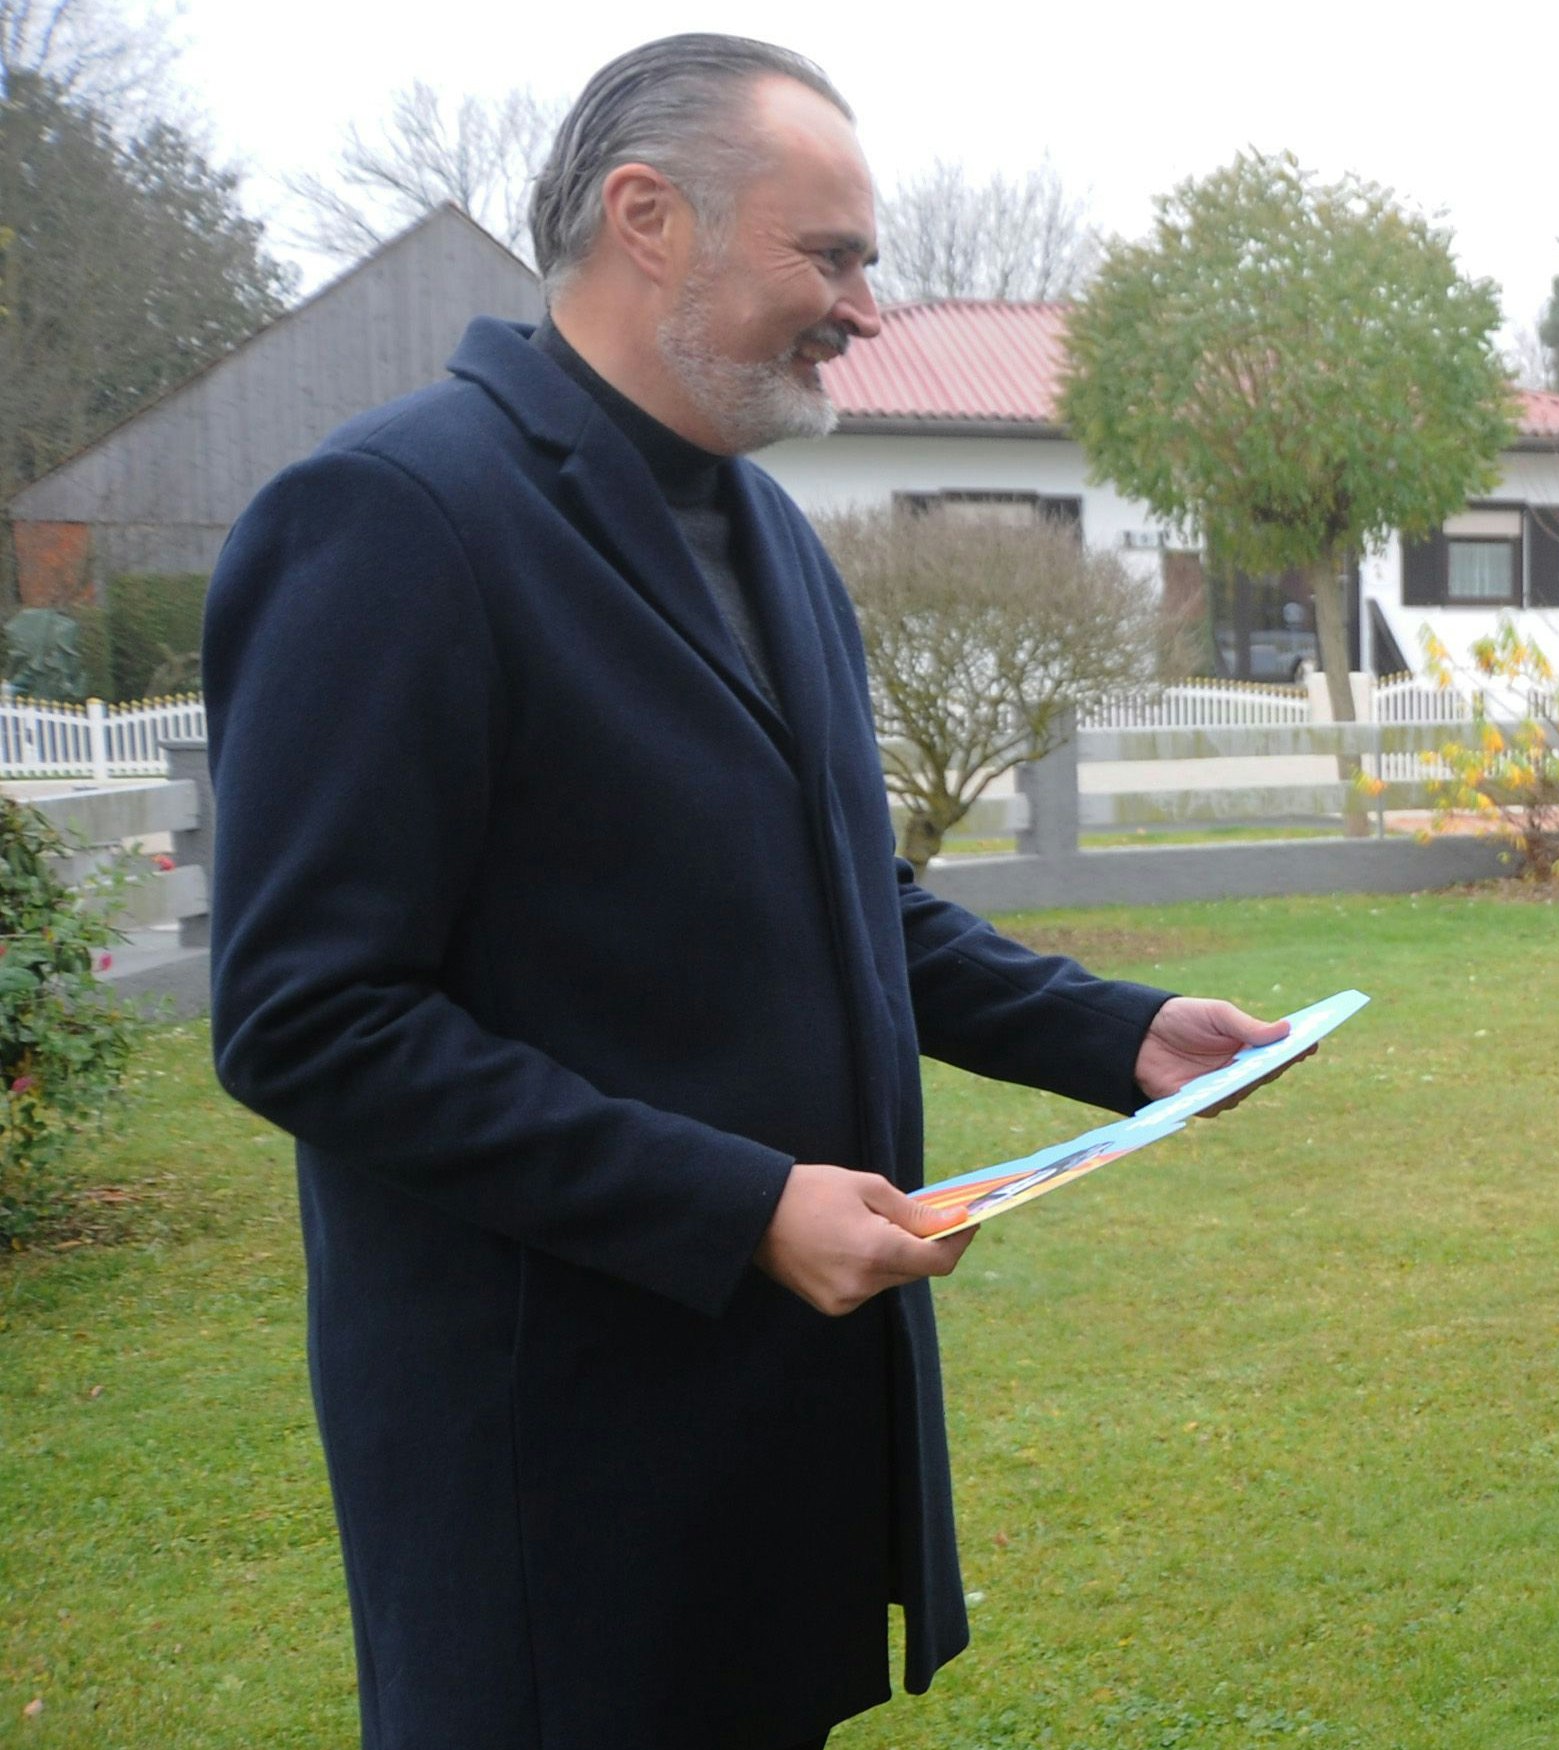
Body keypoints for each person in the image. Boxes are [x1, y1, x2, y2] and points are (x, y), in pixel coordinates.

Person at [201, 35, 1285, 1750]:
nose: (867, 308)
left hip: (776, 1437)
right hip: (556, 1478)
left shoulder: (771, 536)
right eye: (833, 255)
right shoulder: (395, 518)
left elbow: (859, 902)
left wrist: (1123, 1032)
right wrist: (738, 1205)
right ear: (650, 218)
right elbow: (308, 1020)